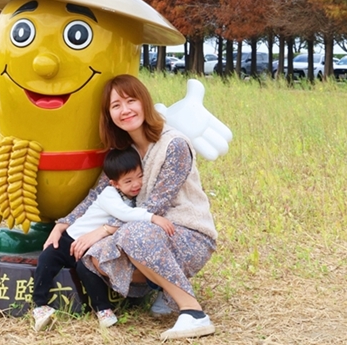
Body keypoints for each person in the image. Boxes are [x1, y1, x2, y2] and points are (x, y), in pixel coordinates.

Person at [45, 74, 218, 340]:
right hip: (145, 232)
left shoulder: (174, 145)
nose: (124, 110)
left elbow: (153, 208)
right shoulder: (124, 151)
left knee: (131, 234)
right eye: (116, 106)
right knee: (93, 258)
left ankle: (193, 313)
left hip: (187, 234)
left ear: (144, 102)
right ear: (109, 114)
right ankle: (164, 288)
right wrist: (63, 223)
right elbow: (99, 194)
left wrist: (103, 230)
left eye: (130, 100)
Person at [31, 147, 174, 331]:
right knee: (46, 259)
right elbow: (125, 214)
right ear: (115, 183)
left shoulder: (132, 199)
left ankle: (103, 310)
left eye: (140, 176)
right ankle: (40, 306)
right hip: (70, 239)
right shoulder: (109, 194)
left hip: (90, 247)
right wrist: (153, 217)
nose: (136, 184)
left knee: (88, 269)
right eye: (128, 180)